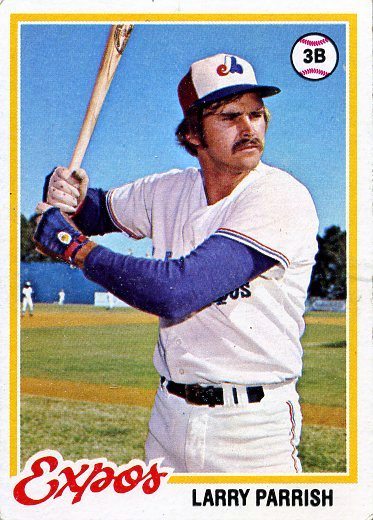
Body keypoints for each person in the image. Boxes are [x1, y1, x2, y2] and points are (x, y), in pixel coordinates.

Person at [34, 53, 318, 474]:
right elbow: (91, 212)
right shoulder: (169, 190)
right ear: (193, 135)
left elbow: (175, 291)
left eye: (256, 115)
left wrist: (73, 247)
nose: (249, 128)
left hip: (252, 427)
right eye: (230, 116)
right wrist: (66, 193)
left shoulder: (280, 196)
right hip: (169, 415)